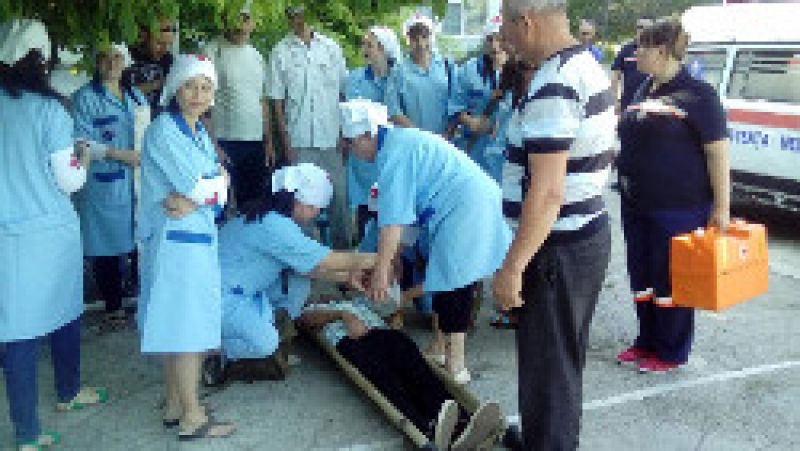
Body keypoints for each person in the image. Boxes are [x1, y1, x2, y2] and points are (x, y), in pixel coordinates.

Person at [493, 0, 616, 449]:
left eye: (505, 26)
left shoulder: (554, 82)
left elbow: (546, 192)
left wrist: (511, 268)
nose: (503, 37)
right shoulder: (585, 63)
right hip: (580, 238)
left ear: (525, 22)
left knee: (549, 369)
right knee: (561, 362)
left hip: (555, 249)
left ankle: (549, 442)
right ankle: (545, 437)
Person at [340, 99, 513, 385]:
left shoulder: (395, 153)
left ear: (366, 135)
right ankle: (439, 347)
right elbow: (403, 219)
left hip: (466, 206)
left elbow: (392, 222)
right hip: (463, 203)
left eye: (352, 144)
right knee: (447, 278)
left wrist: (383, 274)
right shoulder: (397, 144)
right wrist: (393, 260)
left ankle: (456, 362)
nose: (354, 152)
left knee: (452, 281)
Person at [0, 19, 107, 451]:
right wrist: (82, 155)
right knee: (63, 311)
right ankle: (63, 396)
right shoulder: (49, 110)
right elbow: (69, 181)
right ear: (39, 61)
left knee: (17, 330)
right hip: (50, 232)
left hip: (8, 235)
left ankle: (31, 425)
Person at [616, 19, 730, 373]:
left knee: (672, 282)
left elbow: (718, 154)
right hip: (637, 204)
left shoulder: (698, 95)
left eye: (641, 48)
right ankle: (646, 340)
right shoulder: (642, 88)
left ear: (662, 51)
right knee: (643, 277)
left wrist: (722, 207)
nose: (634, 55)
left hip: (679, 208)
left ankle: (671, 351)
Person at [137, 54, 234, 440]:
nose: (198, 94)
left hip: (190, 238)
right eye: (190, 86)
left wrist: (206, 193)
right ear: (175, 88)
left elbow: (217, 187)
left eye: (206, 87)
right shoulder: (164, 130)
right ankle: (193, 416)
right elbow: (205, 185)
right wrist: (210, 189)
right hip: (177, 245)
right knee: (187, 328)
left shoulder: (194, 130)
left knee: (174, 323)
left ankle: (177, 403)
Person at [216, 163, 377, 372]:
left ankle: (263, 325)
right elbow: (328, 260)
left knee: (297, 281)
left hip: (239, 289)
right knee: (265, 344)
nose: (316, 213)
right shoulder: (276, 227)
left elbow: (303, 265)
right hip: (221, 298)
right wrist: (379, 260)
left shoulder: (266, 214)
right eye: (315, 208)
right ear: (300, 202)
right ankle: (213, 350)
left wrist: (346, 278)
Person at [300, 298, 505, 450]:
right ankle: (427, 427)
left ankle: (460, 420)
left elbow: (390, 305)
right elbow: (305, 320)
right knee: (388, 381)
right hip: (353, 343)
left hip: (385, 334)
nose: (325, 295)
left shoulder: (357, 300)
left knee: (419, 372)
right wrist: (342, 314)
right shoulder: (313, 310)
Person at [72, 44, 146, 326]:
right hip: (103, 184)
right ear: (96, 62)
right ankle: (113, 307)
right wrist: (118, 154)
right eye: (104, 57)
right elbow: (81, 142)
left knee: (139, 242)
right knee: (106, 248)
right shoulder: (84, 98)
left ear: (125, 62)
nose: (111, 62)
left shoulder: (136, 96)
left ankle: (140, 301)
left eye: (117, 57)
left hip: (136, 183)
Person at [268, 4, 350, 249]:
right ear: (287, 17)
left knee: (339, 200)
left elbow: (344, 93)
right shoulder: (280, 51)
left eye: (303, 12)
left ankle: (343, 254)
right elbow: (276, 101)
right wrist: (285, 142)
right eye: (293, 13)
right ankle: (307, 257)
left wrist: (344, 134)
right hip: (299, 138)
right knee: (301, 200)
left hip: (331, 138)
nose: (299, 18)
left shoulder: (331, 48)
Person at [202, 0, 275, 208]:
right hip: (224, 140)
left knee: (253, 205)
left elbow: (263, 101)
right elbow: (202, 104)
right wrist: (213, 145)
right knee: (219, 205)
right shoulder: (212, 51)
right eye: (238, 18)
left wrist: (268, 142)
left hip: (255, 141)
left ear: (253, 23)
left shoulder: (257, 57)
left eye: (247, 19)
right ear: (226, 20)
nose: (242, 25)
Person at [345, 25, 401, 240]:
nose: (366, 50)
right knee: (365, 212)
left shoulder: (398, 77)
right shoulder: (355, 79)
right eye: (365, 45)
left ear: (384, 48)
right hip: (364, 159)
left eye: (371, 45)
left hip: (391, 154)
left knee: (392, 211)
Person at [450, 15, 509, 183]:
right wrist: (470, 121)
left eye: (500, 39)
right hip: (474, 151)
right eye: (490, 39)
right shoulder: (469, 69)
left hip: (507, 158)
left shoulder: (521, 70)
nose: (495, 46)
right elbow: (454, 108)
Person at [386, 13, 456, 136]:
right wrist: (421, 137)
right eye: (414, 38)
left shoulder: (447, 65)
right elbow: (394, 110)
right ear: (407, 40)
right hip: (414, 141)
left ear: (431, 37)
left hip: (447, 141)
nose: (420, 43)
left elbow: (458, 102)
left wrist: (448, 132)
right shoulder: (398, 71)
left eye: (425, 37)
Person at [125, 16, 177, 112]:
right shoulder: (124, 55)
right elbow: (116, 93)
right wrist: (157, 84)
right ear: (144, 36)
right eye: (160, 43)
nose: (164, 50)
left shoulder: (168, 60)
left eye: (168, 44)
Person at [611, 16, 654, 113]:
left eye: (647, 28)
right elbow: (615, 77)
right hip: (627, 103)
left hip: (650, 104)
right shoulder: (626, 49)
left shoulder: (657, 50)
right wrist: (615, 101)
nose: (643, 30)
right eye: (640, 27)